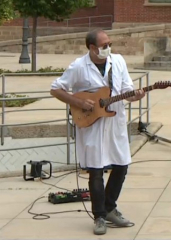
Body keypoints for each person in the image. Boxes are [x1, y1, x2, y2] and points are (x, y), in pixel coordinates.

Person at [50, 29, 145, 235]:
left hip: (115, 122)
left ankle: (110, 207)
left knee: (121, 165)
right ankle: (99, 216)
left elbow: (126, 89)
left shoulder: (118, 61)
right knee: (95, 170)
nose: (108, 49)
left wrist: (135, 96)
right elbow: (56, 89)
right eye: (104, 46)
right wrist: (79, 102)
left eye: (109, 44)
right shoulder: (78, 66)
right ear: (92, 48)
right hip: (91, 124)